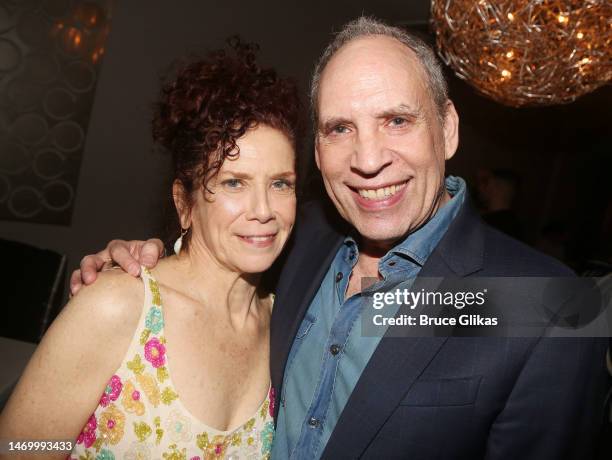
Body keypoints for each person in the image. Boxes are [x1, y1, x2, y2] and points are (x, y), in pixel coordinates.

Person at [70, 17, 607, 459]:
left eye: (397, 120)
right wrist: (142, 266)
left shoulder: (544, 308)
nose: (368, 160)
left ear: (447, 129)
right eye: (339, 128)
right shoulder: (292, 239)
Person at [0, 39, 300, 459]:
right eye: (234, 182)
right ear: (184, 203)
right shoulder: (119, 306)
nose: (264, 210)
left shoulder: (286, 328)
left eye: (280, 183)